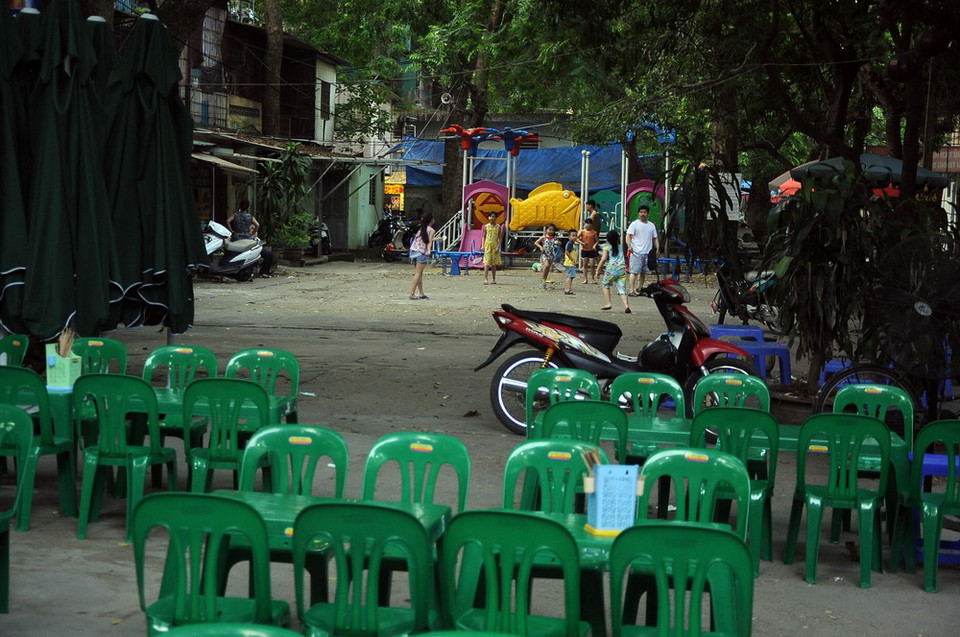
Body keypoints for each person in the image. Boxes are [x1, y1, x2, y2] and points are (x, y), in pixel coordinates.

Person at [226, 199, 274, 278]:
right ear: (248, 207)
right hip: (248, 240)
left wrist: (232, 231)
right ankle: (264, 272)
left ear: (240, 206)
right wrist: (252, 233)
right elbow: (257, 225)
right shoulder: (249, 216)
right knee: (268, 254)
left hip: (236, 239)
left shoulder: (235, 215)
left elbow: (227, 221)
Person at [626, 205, 659, 295]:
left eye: (644, 212)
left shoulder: (651, 225)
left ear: (648, 214)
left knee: (643, 272)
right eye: (641, 212)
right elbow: (628, 236)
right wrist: (629, 246)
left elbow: (655, 238)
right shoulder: (634, 224)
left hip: (647, 252)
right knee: (634, 272)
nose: (642, 214)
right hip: (636, 252)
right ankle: (631, 290)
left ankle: (640, 288)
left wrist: (657, 248)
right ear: (638, 213)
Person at [597, 229, 631, 313]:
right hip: (622, 268)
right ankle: (626, 305)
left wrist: (598, 269)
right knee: (622, 287)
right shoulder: (619, 247)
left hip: (611, 268)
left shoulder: (607, 247)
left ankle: (608, 303)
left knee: (605, 284)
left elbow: (604, 259)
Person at [408, 212, 435, 300]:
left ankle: (421, 293)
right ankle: (411, 293)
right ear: (431, 220)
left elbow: (425, 239)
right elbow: (429, 242)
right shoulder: (431, 230)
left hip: (413, 252)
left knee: (419, 274)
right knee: (418, 273)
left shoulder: (421, 229)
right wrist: (429, 250)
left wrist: (437, 239)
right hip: (421, 253)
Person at [534, 223, 560, 289]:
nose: (551, 231)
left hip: (551, 255)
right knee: (547, 265)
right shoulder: (543, 237)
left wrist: (558, 243)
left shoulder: (555, 238)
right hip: (545, 254)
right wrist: (540, 247)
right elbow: (536, 242)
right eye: (549, 229)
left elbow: (559, 243)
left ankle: (544, 280)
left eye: (552, 230)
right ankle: (543, 279)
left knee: (548, 268)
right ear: (546, 230)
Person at [482, 211, 502, 284]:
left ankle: (493, 279)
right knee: (486, 263)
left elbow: (500, 238)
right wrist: (483, 245)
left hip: (494, 246)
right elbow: (483, 236)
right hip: (487, 246)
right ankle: (485, 279)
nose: (492, 218)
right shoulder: (486, 226)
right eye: (490, 216)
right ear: (488, 217)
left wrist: (498, 247)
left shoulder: (498, 227)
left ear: (496, 218)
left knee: (493, 264)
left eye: (493, 217)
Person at [577, 216, 599, 284]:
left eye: (589, 223)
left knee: (592, 265)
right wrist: (582, 243)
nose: (588, 225)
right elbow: (577, 239)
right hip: (584, 250)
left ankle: (592, 278)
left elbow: (597, 241)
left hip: (591, 250)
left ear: (591, 224)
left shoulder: (594, 232)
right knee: (585, 265)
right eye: (587, 223)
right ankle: (585, 279)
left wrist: (595, 245)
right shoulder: (582, 231)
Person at [562, 228, 579, 295]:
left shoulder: (573, 244)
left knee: (570, 276)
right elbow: (567, 252)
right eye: (573, 236)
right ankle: (567, 289)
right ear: (569, 237)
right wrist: (572, 260)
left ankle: (567, 289)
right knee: (570, 276)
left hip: (571, 263)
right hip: (570, 263)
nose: (575, 237)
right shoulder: (570, 243)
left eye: (575, 236)